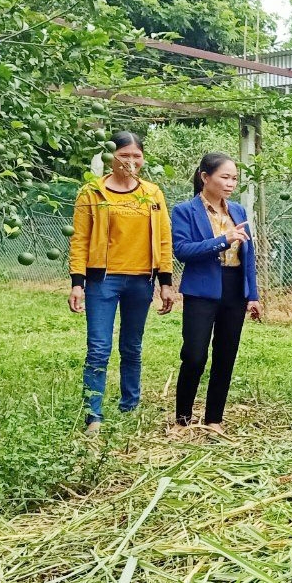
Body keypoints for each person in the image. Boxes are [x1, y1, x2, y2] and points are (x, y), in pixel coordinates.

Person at [68, 131, 174, 433]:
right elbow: (79, 240)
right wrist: (77, 282)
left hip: (142, 281)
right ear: (110, 156)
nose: (130, 161)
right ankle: (93, 415)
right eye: (123, 155)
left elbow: (164, 238)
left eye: (136, 156)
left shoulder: (152, 194)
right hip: (103, 280)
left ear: (143, 159)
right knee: (98, 349)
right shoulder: (91, 192)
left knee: (132, 347)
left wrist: (166, 281)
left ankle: (130, 406)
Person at [171, 153, 262, 435]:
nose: (231, 183)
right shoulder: (185, 210)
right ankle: (183, 419)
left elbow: (249, 256)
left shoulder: (237, 210)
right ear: (205, 177)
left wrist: (253, 295)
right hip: (202, 289)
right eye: (225, 177)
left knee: (226, 353)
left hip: (234, 288)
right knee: (195, 355)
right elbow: (183, 250)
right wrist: (223, 240)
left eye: (234, 178)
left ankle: (214, 419)